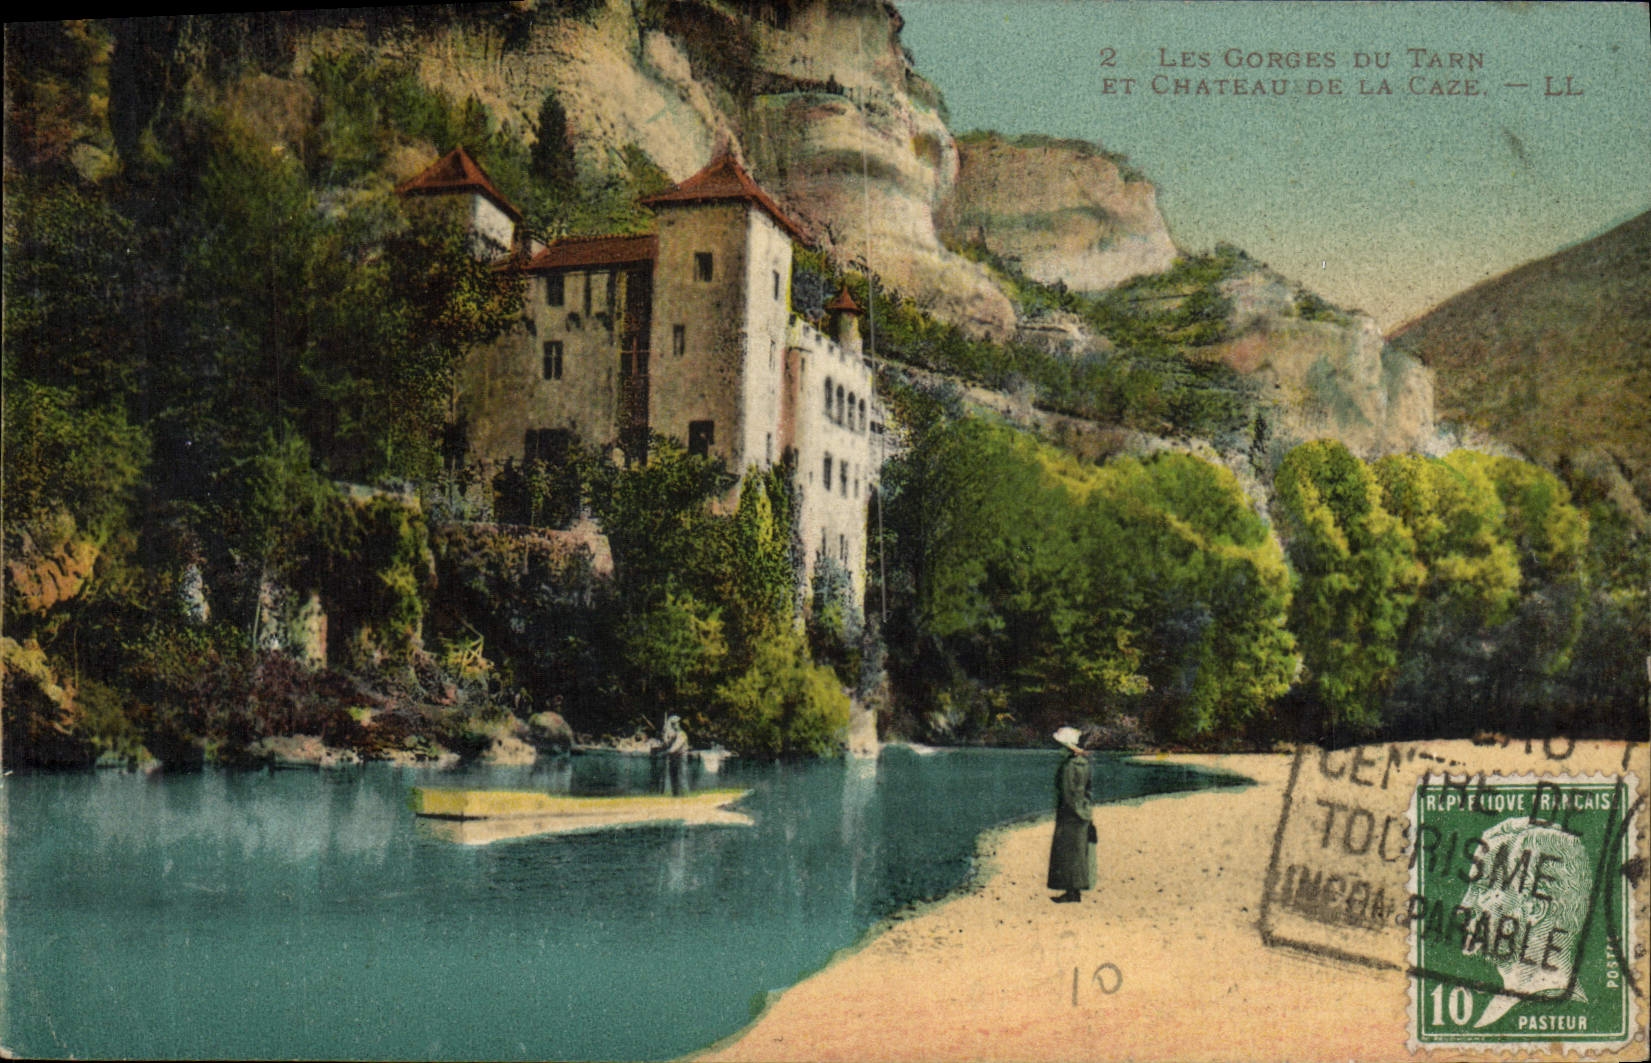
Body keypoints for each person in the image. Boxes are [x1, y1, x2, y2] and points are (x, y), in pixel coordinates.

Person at [1047, 726, 1097, 903]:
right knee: (1077, 854)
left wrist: (1073, 811)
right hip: (1082, 812)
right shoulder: (1084, 764)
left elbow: (1068, 793)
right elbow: (1088, 791)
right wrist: (1086, 811)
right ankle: (1074, 891)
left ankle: (1071, 893)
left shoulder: (1069, 766)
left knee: (1067, 854)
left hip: (1070, 814)